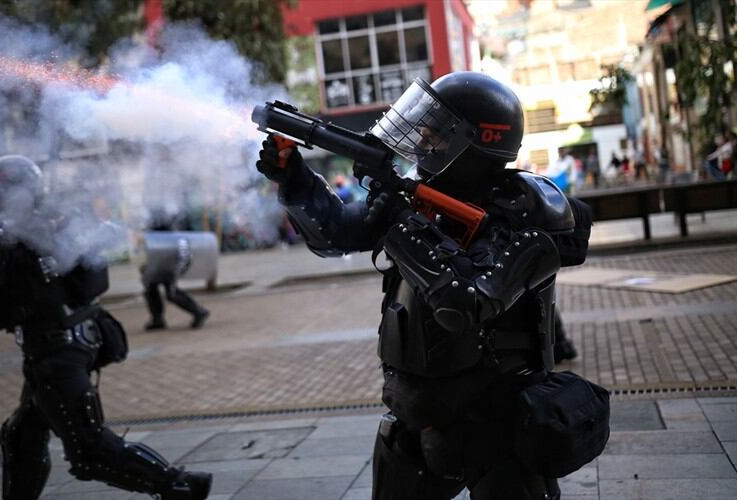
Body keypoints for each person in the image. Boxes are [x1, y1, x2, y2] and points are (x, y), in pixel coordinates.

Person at [257, 72, 608, 500]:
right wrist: (294, 179)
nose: (423, 141)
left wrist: (403, 225)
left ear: (478, 142)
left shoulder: (529, 211)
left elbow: (466, 301)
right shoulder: (421, 198)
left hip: (499, 426)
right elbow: (335, 234)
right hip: (414, 416)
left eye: (437, 135)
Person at [0, 156, 211, 500]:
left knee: (88, 449)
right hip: (79, 338)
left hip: (53, 351)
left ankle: (179, 486)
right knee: (22, 435)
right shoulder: (52, 219)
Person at [136, 212, 209, 331]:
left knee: (169, 291)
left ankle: (198, 311)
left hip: (165, 251)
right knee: (151, 287)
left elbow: (161, 230)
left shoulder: (160, 209)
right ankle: (157, 319)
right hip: (163, 250)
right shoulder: (158, 208)